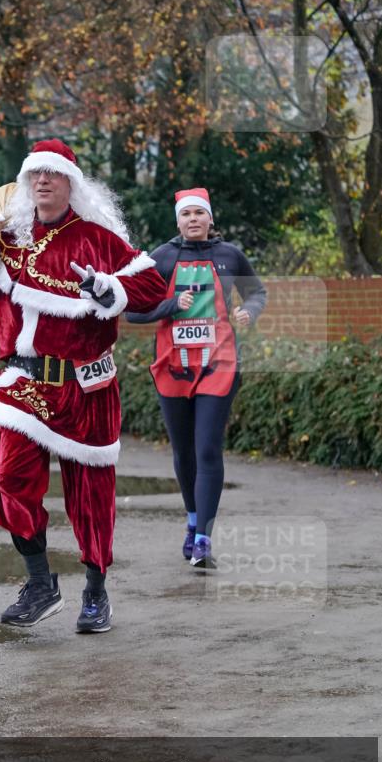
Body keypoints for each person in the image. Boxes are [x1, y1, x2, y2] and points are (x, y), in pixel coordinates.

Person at [0, 139, 167, 632]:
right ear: (26, 183)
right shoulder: (10, 236)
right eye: (35, 176)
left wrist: (106, 288)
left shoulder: (97, 238)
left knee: (91, 495)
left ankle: (95, 591)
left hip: (85, 385)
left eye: (52, 174)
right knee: (10, 476)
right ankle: (39, 582)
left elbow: (154, 287)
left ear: (71, 182)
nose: (43, 182)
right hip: (24, 380)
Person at [126, 188, 267, 568]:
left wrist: (249, 312)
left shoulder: (229, 255)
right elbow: (132, 312)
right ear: (177, 220)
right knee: (183, 451)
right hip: (172, 366)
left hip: (219, 364)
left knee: (207, 449)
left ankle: (203, 538)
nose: (192, 219)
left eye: (198, 213)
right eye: (186, 213)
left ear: (209, 218)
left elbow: (257, 292)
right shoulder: (162, 257)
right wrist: (172, 305)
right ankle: (192, 521)